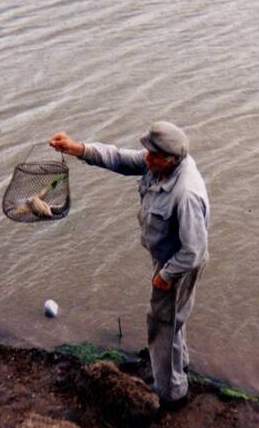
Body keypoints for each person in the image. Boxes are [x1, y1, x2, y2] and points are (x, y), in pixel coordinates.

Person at [49, 122, 210, 409]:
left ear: (171, 159)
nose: (145, 158)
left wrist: (166, 275)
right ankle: (177, 365)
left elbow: (194, 251)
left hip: (179, 264)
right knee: (172, 318)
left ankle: (171, 392)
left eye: (151, 155)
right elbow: (119, 158)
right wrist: (78, 149)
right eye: (147, 152)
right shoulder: (159, 162)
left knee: (161, 321)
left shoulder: (186, 194)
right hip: (167, 256)